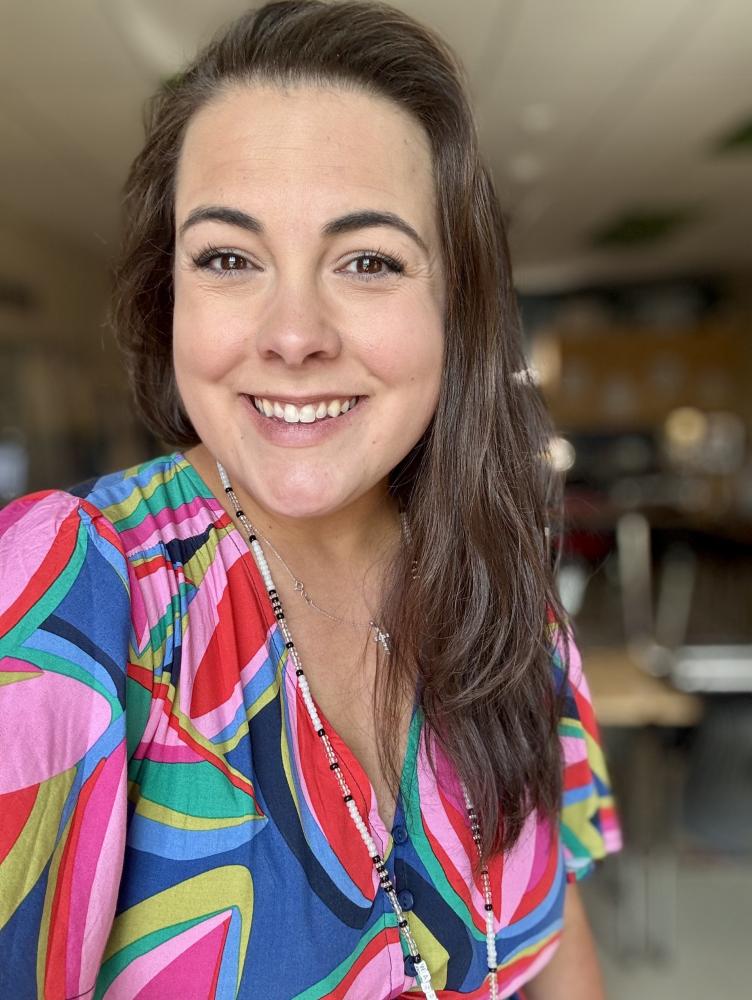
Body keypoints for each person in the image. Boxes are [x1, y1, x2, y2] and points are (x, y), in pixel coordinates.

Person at [0, 2, 621, 997]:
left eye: (368, 260)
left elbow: (554, 942)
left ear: (452, 306)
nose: (293, 333)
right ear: (171, 299)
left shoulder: (504, 590)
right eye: (230, 258)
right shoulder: (59, 602)